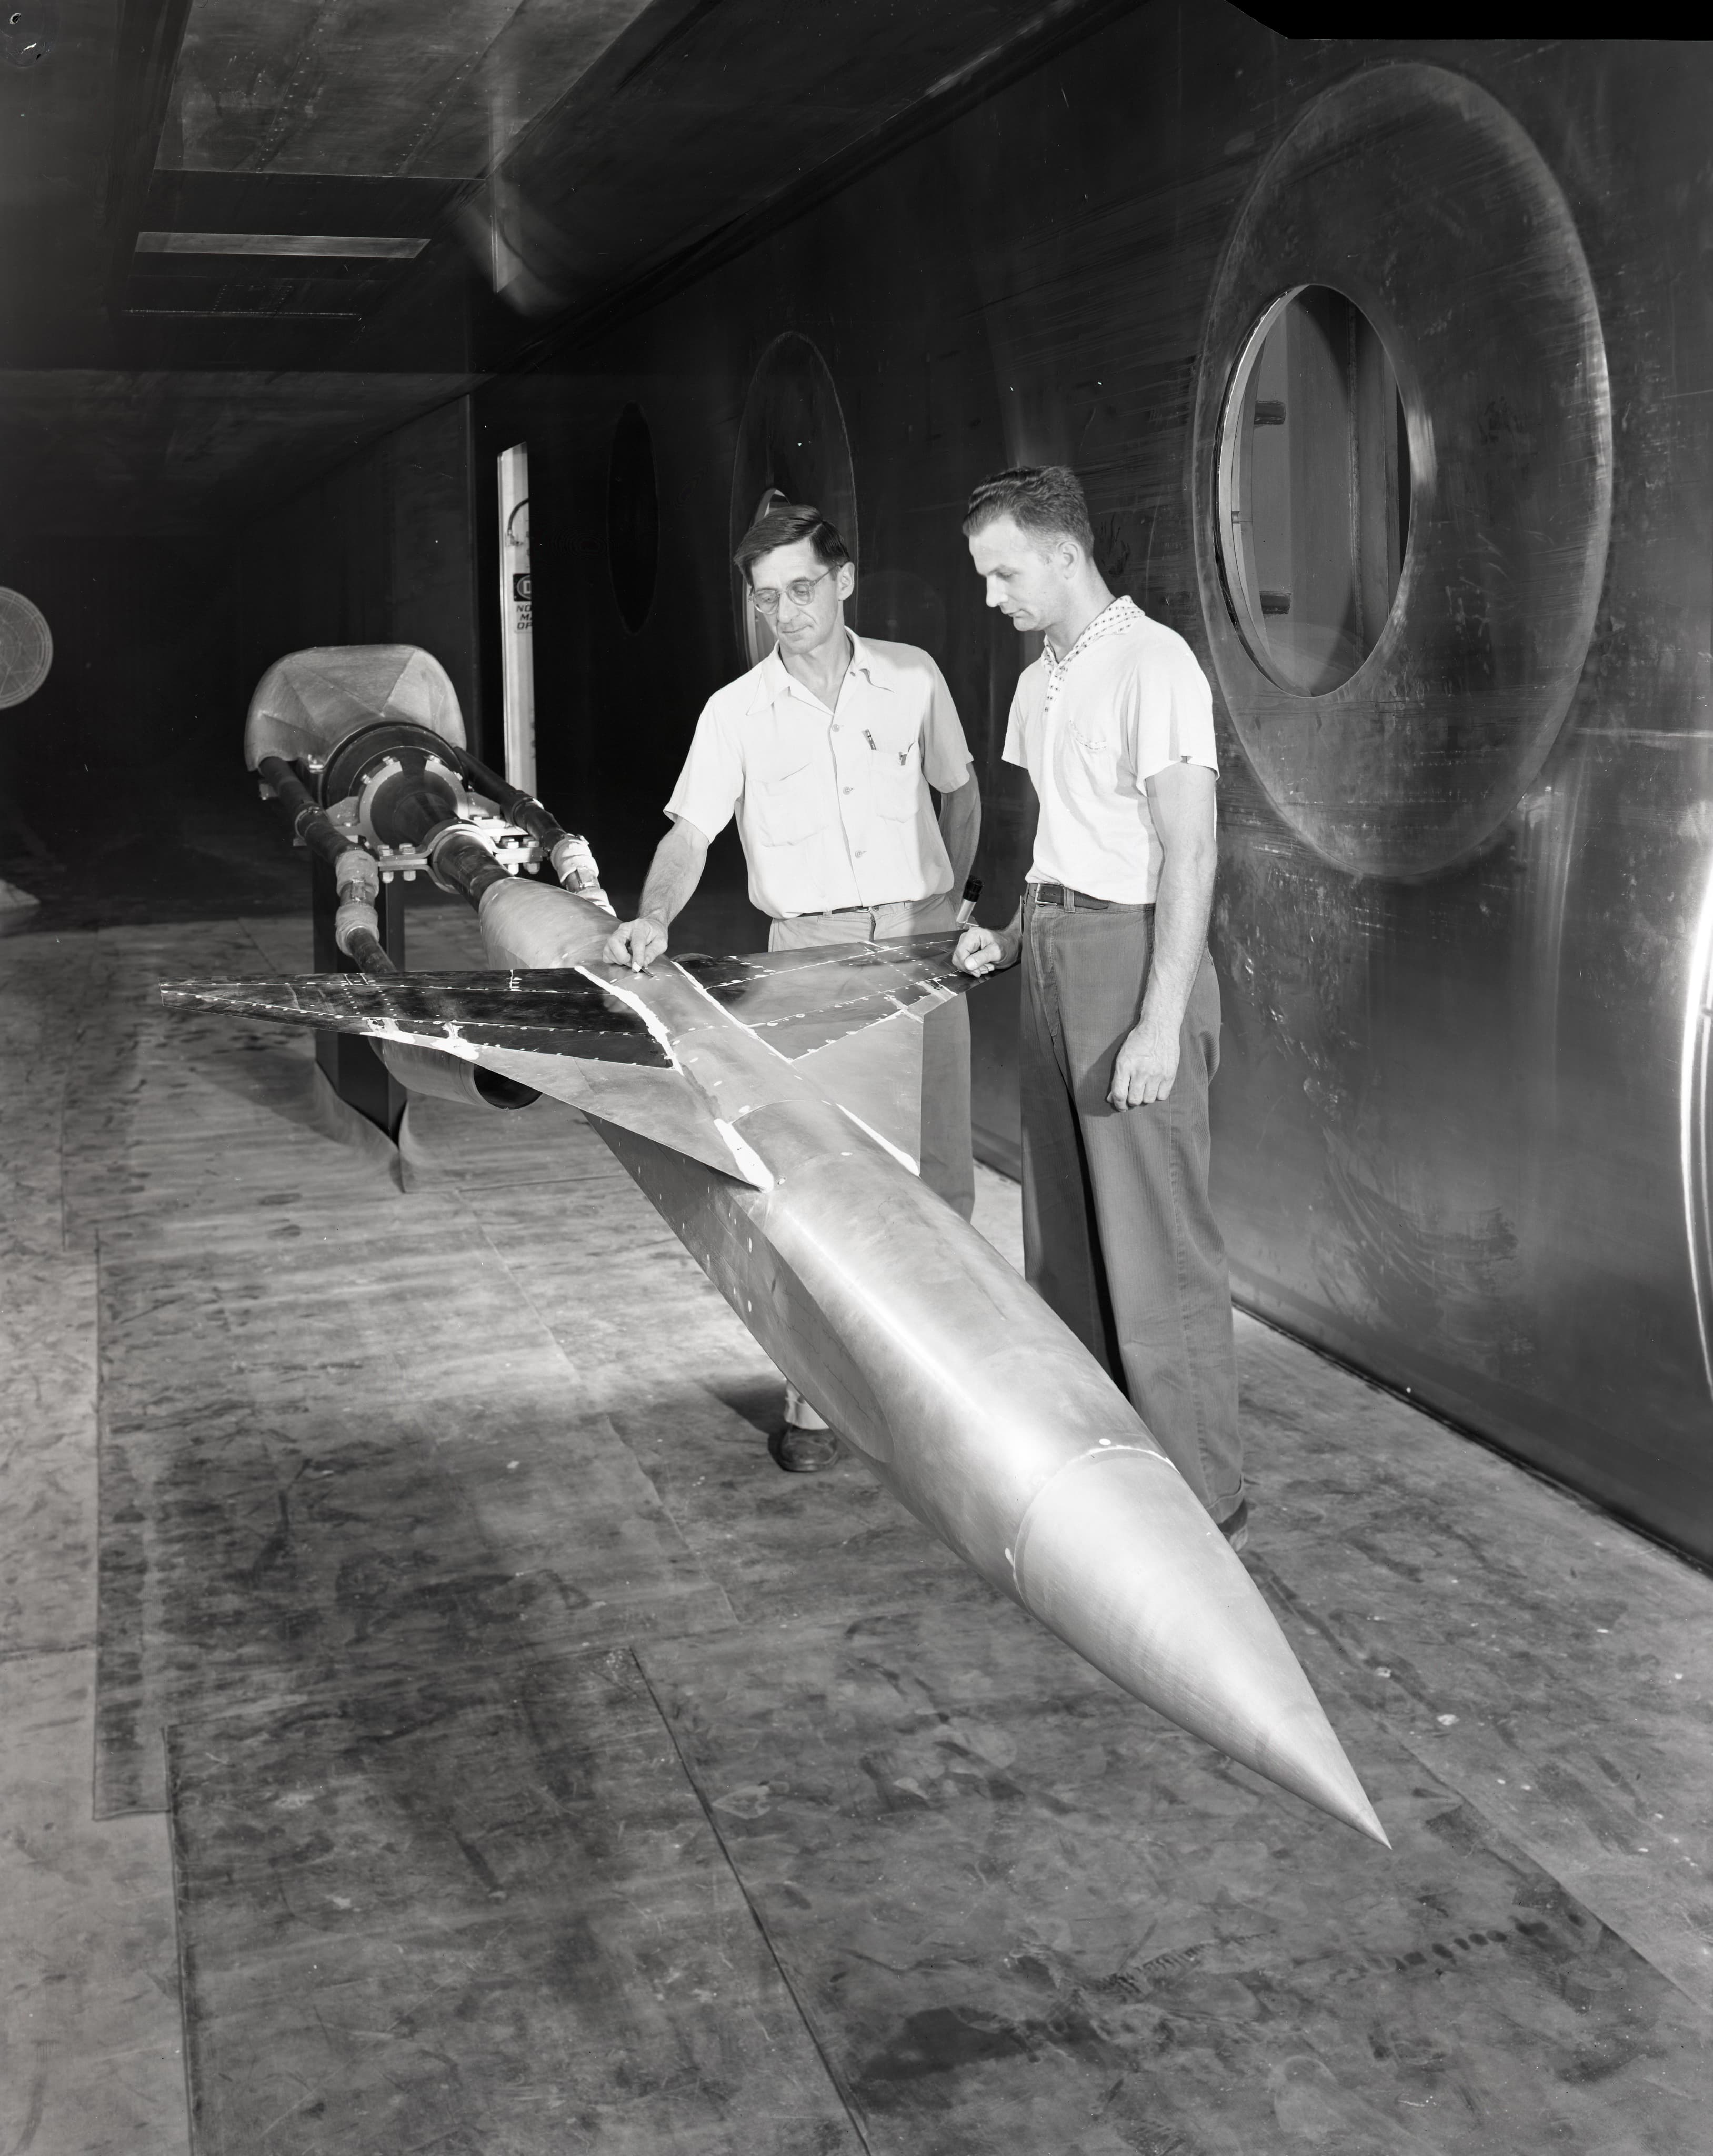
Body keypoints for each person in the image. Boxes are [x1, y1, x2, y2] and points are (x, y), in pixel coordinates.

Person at [606, 501, 981, 1473]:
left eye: (803, 589)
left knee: (938, 1181)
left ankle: (947, 1396)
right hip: (805, 960)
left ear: (845, 580)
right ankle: (817, 1400)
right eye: (768, 598)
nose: (787, 612)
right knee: (821, 1186)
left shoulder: (912, 678)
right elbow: (688, 835)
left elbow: (962, 789)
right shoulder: (735, 712)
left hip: (919, 942)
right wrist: (655, 917)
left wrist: (950, 907)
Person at [952, 466, 1247, 1549]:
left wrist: (1159, 1021)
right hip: (1054, 955)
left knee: (1154, 1249)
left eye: (1003, 571)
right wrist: (1012, 929)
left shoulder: (1152, 663)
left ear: (1065, 554)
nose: (991, 595)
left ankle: (1203, 1512)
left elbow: (1190, 846)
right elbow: (1056, 836)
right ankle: (1104, 1480)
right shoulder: (1043, 679)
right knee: (1066, 1244)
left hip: (1131, 963)